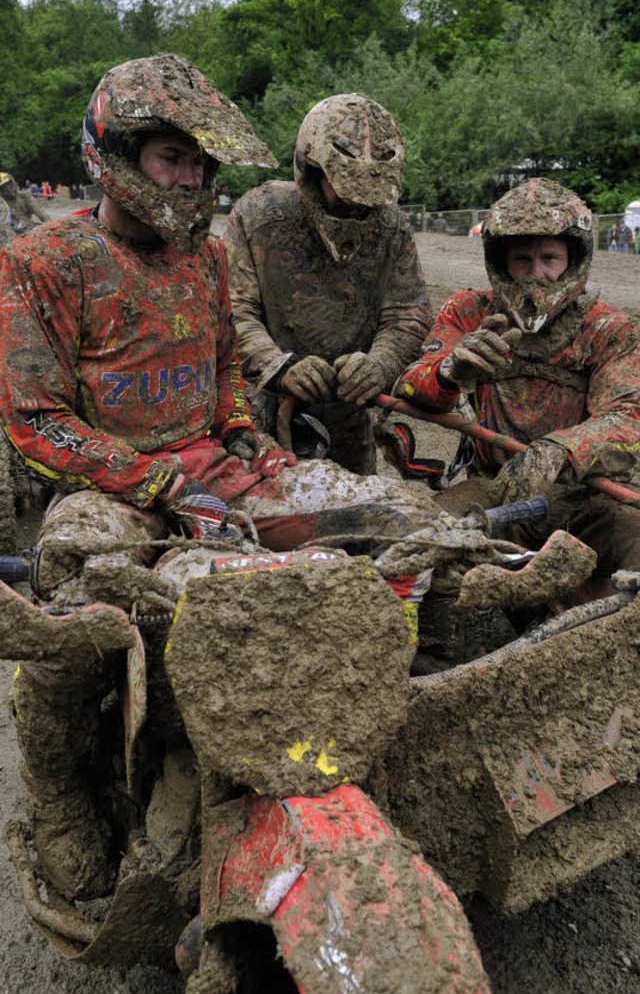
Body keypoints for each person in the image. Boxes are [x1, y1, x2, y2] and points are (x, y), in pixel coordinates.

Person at [0, 56, 446, 903]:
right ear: (117, 153)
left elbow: (224, 371)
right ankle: (57, 790)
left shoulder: (205, 257)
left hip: (219, 464)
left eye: (202, 163)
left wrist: (243, 434)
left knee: (400, 515)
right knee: (69, 592)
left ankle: (372, 695)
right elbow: (36, 420)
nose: (193, 177)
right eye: (175, 158)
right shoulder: (43, 259)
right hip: (110, 485)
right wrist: (153, 482)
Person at [394, 178, 640, 576]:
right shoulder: (469, 310)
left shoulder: (609, 328)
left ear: (573, 260)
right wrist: (450, 372)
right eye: (522, 259)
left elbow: (629, 416)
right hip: (493, 487)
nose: (536, 274)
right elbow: (410, 383)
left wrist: (559, 450)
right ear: (501, 261)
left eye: (549, 258)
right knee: (415, 540)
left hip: (585, 497)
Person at [225, 93, 431, 474]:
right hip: (266, 408)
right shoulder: (258, 217)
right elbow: (234, 308)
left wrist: (379, 365)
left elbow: (407, 313)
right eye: (345, 192)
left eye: (369, 201)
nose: (356, 208)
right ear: (310, 172)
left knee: (357, 514)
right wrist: (278, 367)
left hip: (350, 412)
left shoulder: (393, 228)